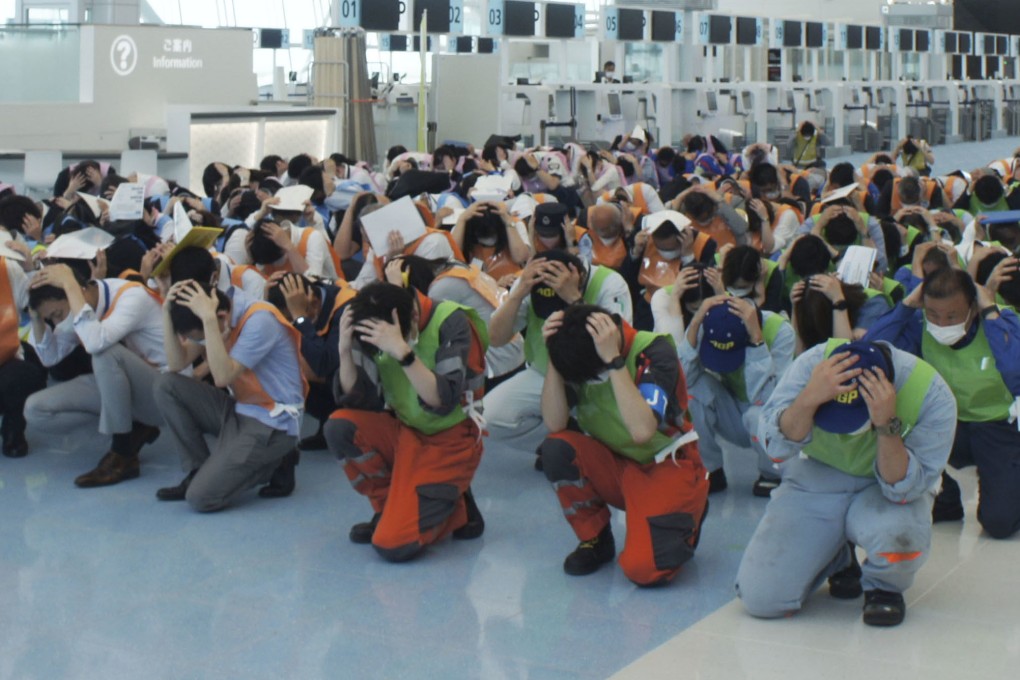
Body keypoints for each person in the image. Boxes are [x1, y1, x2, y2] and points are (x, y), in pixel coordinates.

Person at [736, 340, 956, 626]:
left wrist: (887, 426)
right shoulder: (811, 364)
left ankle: (883, 587)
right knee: (762, 600)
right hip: (816, 478)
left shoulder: (932, 393)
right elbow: (775, 447)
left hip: (885, 490)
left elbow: (901, 487)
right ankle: (839, 556)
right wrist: (808, 399)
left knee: (900, 535)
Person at [537, 304, 709, 585]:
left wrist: (615, 363)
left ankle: (688, 515)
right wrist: (554, 356)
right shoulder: (580, 355)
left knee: (643, 570)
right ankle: (595, 538)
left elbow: (642, 431)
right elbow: (555, 423)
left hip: (667, 467)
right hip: (617, 464)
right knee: (556, 447)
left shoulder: (654, 352)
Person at [323, 282, 488, 562]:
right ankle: (387, 507)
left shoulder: (450, 321)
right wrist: (343, 351)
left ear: (411, 317)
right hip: (406, 431)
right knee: (339, 426)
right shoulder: (374, 320)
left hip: (450, 441)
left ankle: (457, 507)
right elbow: (357, 398)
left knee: (392, 544)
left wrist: (402, 352)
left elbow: (442, 399)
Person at [865, 267, 1020, 538]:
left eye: (952, 316)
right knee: (893, 418)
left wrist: (990, 314)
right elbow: (871, 348)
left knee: (998, 523)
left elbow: (1015, 370)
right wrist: (906, 306)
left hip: (997, 426)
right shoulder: (920, 325)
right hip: (946, 421)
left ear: (973, 306)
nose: (942, 324)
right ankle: (947, 498)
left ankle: (1003, 476)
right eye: (933, 314)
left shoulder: (1002, 321)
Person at [153, 281, 307, 511]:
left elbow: (222, 377)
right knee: (166, 385)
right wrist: (166, 311)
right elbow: (176, 363)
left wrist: (209, 323)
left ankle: (278, 461)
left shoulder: (259, 320)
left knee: (200, 498)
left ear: (222, 316)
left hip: (273, 425)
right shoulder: (217, 315)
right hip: (241, 409)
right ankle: (199, 468)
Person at [25, 261, 165, 487]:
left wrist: (69, 283)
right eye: (52, 318)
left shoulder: (131, 297)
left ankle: (123, 452)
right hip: (123, 387)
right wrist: (35, 316)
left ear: (77, 291)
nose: (58, 322)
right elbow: (49, 357)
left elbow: (96, 342)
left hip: (163, 393)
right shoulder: (77, 309)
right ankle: (134, 426)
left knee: (103, 352)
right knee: (35, 410)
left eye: (58, 314)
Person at [485, 250, 632, 456]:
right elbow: (495, 338)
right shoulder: (530, 279)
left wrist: (574, 300)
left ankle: (595, 445)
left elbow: (616, 344)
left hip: (599, 374)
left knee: (625, 432)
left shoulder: (610, 283)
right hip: (547, 372)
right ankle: (567, 446)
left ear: (580, 277)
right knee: (491, 417)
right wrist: (518, 293)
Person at [680, 294, 794, 495]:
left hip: (767, 417)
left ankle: (771, 474)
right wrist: (696, 321)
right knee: (692, 393)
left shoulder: (781, 332)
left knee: (757, 415)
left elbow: (771, 401)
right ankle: (710, 469)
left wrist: (757, 342)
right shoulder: (708, 322)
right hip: (732, 411)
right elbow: (682, 381)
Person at [266, 273, 356, 451]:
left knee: (303, 374)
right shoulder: (312, 297)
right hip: (332, 372)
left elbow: (324, 364)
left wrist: (300, 318)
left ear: (313, 302)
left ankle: (346, 426)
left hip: (359, 380)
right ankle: (326, 424)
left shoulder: (347, 307)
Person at [0, 253, 46, 457]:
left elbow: (36, 301)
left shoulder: (7, 268)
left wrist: (31, 269)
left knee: (27, 375)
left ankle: (13, 429)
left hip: (7, 358)